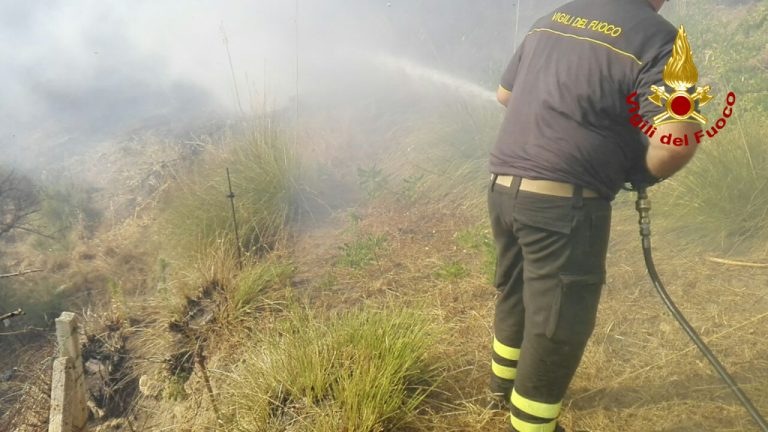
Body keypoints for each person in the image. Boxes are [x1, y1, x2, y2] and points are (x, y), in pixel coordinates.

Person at [487, 0, 703, 431]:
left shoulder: (554, 18)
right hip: (562, 206)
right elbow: (676, 141)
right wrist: (642, 172)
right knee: (559, 323)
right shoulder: (661, 40)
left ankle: (500, 390)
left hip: (503, 188)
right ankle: (530, 425)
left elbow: (505, 95)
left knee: (517, 293)